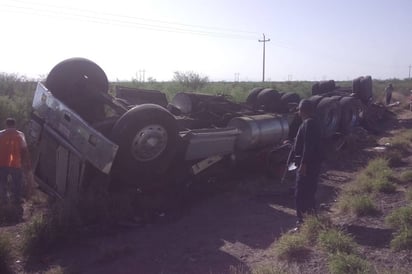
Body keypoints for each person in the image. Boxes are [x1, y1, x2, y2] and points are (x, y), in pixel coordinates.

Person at [291, 99, 323, 228]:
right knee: (309, 191)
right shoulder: (314, 122)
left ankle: (302, 223)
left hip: (307, 165)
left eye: (299, 110)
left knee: (301, 193)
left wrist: (304, 163)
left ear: (302, 110)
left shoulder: (308, 124)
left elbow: (308, 146)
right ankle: (310, 220)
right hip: (312, 163)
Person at [0, 118, 32, 219]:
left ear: (6, 124)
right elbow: (24, 150)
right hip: (16, 164)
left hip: (2, 163)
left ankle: (3, 200)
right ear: (14, 124)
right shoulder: (20, 134)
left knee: (2, 183)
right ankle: (16, 200)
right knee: (17, 183)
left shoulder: (0, 134)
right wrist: (26, 163)